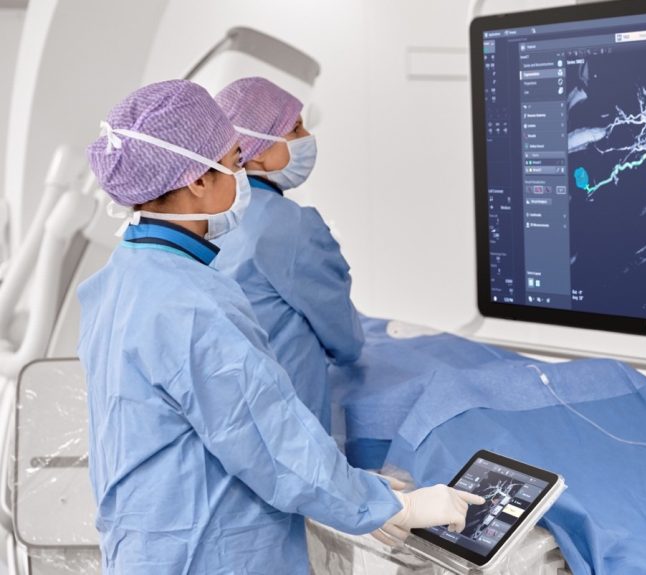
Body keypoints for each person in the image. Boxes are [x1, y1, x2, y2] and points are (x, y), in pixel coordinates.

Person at [79, 79, 482, 574]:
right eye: (233, 161)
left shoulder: (117, 279)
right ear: (197, 181)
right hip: (215, 553)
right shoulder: (192, 305)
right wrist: (391, 506)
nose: (241, 176)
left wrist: (354, 492)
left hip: (147, 546)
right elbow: (269, 441)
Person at [212, 77, 354, 432]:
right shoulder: (289, 225)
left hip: (226, 412)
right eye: (295, 128)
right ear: (257, 150)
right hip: (286, 423)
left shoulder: (209, 217)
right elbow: (344, 336)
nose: (307, 136)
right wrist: (354, 345)